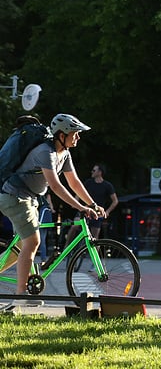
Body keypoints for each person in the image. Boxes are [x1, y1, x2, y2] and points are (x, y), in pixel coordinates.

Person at [0, 114, 103, 311]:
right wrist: (81, 207)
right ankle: (20, 296)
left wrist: (92, 203)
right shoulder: (44, 152)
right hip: (14, 197)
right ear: (62, 134)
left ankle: (20, 292)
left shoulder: (63, 154)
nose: (78, 137)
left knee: (20, 248)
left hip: (29, 199)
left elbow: (74, 182)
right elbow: (56, 186)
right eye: (75, 133)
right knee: (33, 242)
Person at [62, 163, 118, 253]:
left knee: (95, 238)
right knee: (74, 226)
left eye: (94, 170)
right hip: (85, 210)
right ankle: (66, 247)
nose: (91, 172)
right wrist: (75, 203)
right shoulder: (89, 182)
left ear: (100, 172)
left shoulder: (107, 185)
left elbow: (115, 201)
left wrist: (107, 211)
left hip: (97, 213)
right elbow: (78, 193)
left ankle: (95, 262)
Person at [37, 193, 55, 264]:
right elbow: (49, 201)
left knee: (38, 240)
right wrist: (52, 209)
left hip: (39, 215)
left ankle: (42, 259)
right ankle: (43, 260)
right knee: (42, 239)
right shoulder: (46, 191)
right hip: (45, 215)